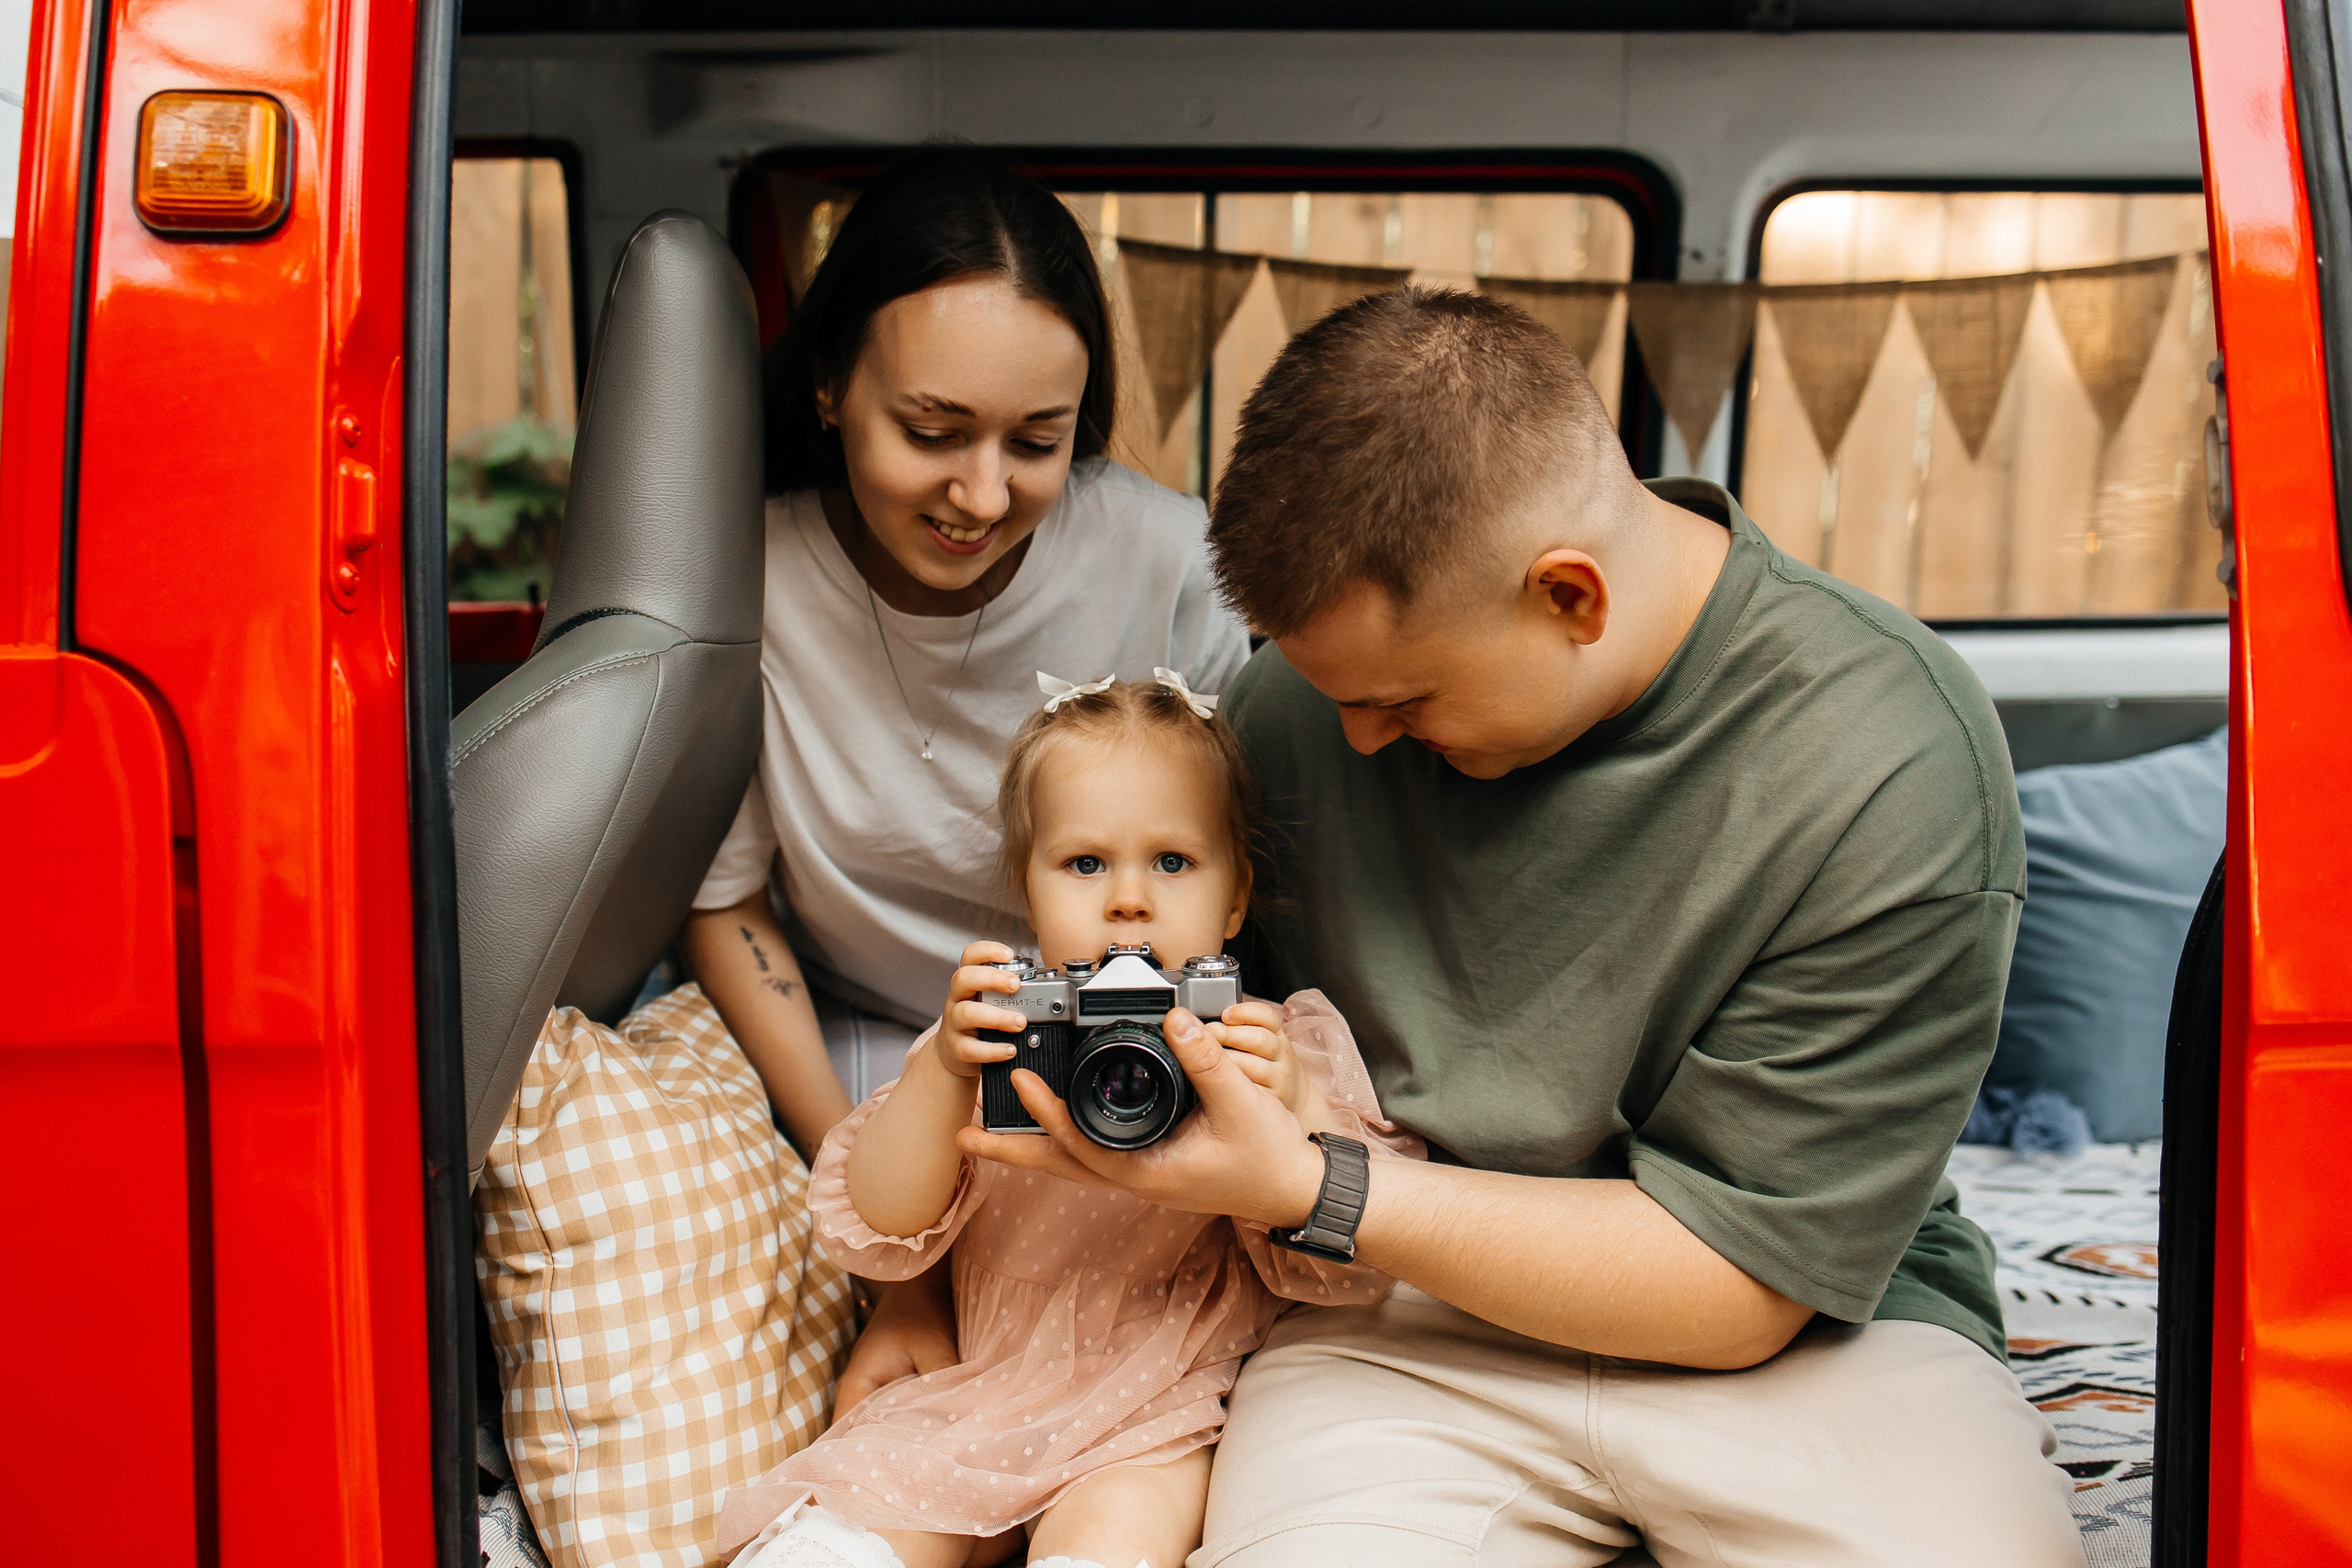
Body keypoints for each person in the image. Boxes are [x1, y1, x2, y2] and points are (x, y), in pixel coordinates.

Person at [953, 290, 2088, 1566]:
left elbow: (1739, 1282)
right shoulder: (1298, 714)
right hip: (1397, 1315)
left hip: (1815, 1332)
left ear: (1570, 595)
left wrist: (1314, 1185)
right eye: (1337, 697)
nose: (1362, 742)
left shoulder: (1887, 755)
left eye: (1403, 698)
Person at [675, 150, 1250, 1416]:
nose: (981, 496)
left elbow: (1238, 860)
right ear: (830, 387)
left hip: (1132, 1030)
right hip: (851, 1045)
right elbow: (728, 904)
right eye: (930, 433)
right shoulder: (748, 577)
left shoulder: (1165, 556)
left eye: (1036, 443)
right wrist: (900, 1253)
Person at [714, 673, 1419, 1568]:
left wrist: (1296, 1112)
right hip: (975, 1391)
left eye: (1171, 862)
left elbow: (1344, 1269)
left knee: (1114, 1538)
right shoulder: (1002, 1033)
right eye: (1085, 864)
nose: (1128, 899)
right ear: (1030, 891)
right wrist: (942, 1073)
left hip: (1155, 1411)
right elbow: (883, 1222)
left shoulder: (1261, 1046)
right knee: (846, 1527)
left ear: (1234, 897)